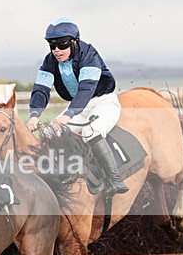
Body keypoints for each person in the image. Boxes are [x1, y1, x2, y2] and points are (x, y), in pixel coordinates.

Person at [28, 17, 128, 195]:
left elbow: (86, 90)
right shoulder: (50, 61)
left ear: (74, 42)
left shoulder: (89, 55)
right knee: (52, 132)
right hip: (78, 106)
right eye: (52, 45)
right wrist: (34, 114)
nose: (57, 50)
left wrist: (67, 116)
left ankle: (114, 179)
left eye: (62, 45)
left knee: (91, 132)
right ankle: (60, 174)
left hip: (102, 102)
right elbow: (41, 89)